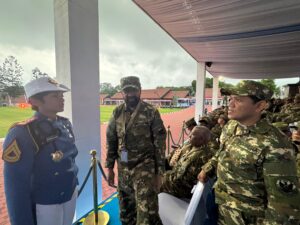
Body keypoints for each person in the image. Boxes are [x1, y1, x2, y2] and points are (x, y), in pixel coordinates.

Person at [198, 80, 300, 224]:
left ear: (260, 106)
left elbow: (284, 208)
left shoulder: (276, 144)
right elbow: (222, 151)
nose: (230, 104)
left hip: (245, 218)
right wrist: (207, 168)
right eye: (230, 98)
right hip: (219, 204)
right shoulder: (231, 126)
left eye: (238, 100)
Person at [2, 77, 79, 225]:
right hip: (45, 202)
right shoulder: (22, 132)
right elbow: (16, 186)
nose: (61, 99)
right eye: (54, 96)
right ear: (35, 101)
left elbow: (70, 160)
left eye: (61, 95)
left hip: (69, 193)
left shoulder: (65, 124)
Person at [105, 76, 166, 225]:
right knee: (126, 211)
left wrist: (159, 173)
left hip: (144, 167)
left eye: (133, 90)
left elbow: (159, 144)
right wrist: (110, 168)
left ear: (140, 91)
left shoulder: (151, 111)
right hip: (123, 168)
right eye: (126, 91)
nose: (130, 94)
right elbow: (111, 139)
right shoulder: (117, 112)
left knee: (147, 212)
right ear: (122, 93)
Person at [160, 126, 212, 199]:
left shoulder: (199, 156)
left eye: (193, 134)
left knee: (152, 180)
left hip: (181, 189)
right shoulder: (193, 147)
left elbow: (178, 179)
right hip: (177, 179)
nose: (189, 135)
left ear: (201, 139)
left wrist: (163, 175)